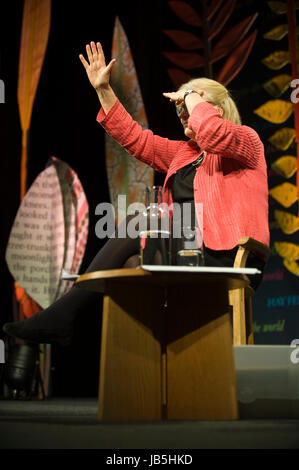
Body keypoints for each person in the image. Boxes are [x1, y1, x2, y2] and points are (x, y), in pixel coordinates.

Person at [3, 41, 269, 346]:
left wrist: (192, 97)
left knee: (142, 220)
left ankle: (65, 314)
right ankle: (147, 372)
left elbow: (212, 132)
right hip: (188, 253)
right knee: (132, 267)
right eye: (180, 106)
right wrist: (103, 90)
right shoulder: (184, 154)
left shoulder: (247, 143)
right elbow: (137, 140)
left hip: (230, 257)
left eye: (191, 103)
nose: (183, 110)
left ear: (217, 110)